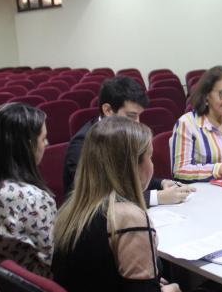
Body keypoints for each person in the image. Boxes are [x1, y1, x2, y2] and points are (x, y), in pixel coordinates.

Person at [52, 118, 222, 292]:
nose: (153, 165)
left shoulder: (71, 210)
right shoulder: (127, 218)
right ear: (131, 166)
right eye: (148, 157)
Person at [63, 75, 194, 205]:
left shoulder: (123, 133)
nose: (137, 123)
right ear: (108, 110)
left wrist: (162, 183)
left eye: (139, 115)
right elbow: (94, 199)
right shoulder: (83, 145)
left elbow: (128, 179)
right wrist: (156, 197)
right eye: (131, 115)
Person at [0, 103, 56, 292]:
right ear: (26, 145)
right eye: (43, 139)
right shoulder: (30, 198)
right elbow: (56, 263)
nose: (47, 144)